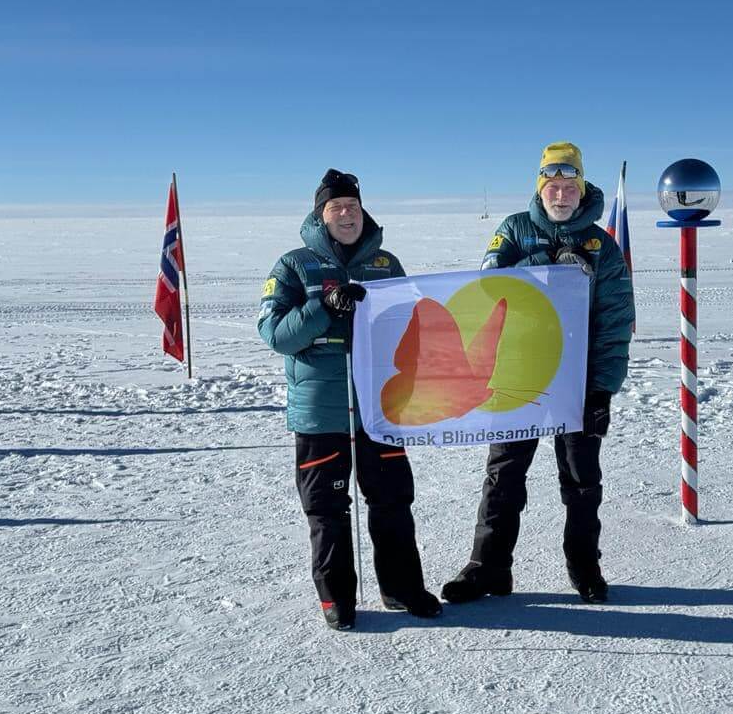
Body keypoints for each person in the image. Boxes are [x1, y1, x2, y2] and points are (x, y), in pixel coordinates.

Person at [441, 142, 635, 604]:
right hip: (518, 376)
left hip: (578, 380)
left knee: (581, 480)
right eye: (553, 186)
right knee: (504, 475)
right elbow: (489, 286)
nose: (562, 195)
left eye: (570, 187)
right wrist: (548, 270)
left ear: (581, 189)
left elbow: (615, 323)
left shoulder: (602, 247)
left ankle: (585, 568)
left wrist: (602, 389)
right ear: (540, 188)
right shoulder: (514, 229)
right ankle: (487, 568)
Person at [258, 169, 441, 630]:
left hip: (380, 405)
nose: (346, 214)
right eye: (336, 207)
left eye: (353, 207)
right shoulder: (293, 266)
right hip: (322, 412)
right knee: (327, 507)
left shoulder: (385, 265)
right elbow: (275, 334)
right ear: (321, 214)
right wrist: (324, 307)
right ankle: (336, 597)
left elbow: (412, 328)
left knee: (393, 499)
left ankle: (401, 587)